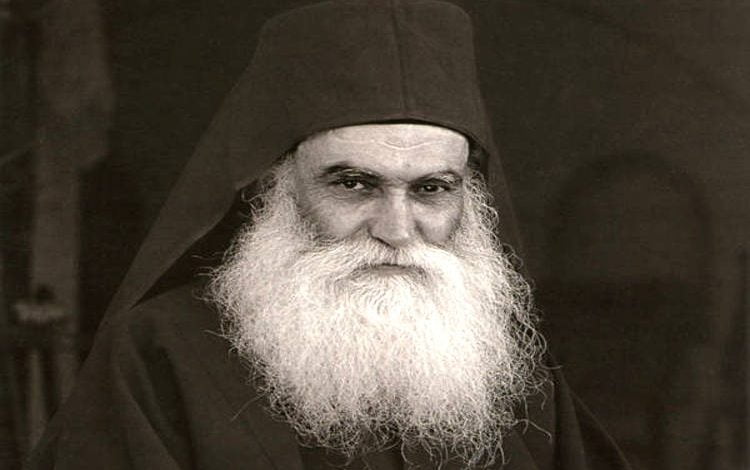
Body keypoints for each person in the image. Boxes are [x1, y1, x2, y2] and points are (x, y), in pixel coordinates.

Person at [29, 1, 630, 468]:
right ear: (275, 191)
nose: (397, 230)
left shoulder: (510, 375)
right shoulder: (158, 355)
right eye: (353, 184)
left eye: (430, 189)